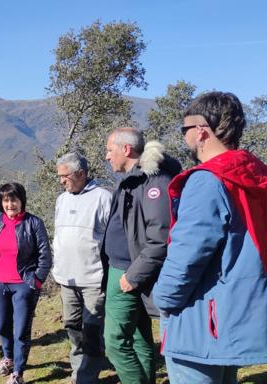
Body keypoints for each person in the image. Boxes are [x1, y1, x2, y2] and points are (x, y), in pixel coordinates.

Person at [153, 91, 267, 383]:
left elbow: (187, 255)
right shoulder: (253, 174)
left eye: (185, 130)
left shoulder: (206, 181)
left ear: (201, 131)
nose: (184, 137)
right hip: (236, 314)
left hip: (200, 320)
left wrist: (162, 298)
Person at [102, 127, 181, 384]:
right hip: (121, 269)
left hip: (129, 272)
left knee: (114, 342)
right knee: (138, 338)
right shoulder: (132, 179)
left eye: (110, 150)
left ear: (127, 149)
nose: (106, 157)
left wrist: (133, 275)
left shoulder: (153, 181)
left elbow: (161, 237)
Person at [0, 182, 52, 384]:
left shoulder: (34, 223)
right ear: (0, 202)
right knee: (3, 326)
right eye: (5, 200)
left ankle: (18, 373)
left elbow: (45, 255)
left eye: (14, 200)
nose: (10, 204)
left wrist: (36, 281)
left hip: (23, 284)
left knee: (20, 330)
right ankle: (8, 359)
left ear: (22, 201)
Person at [52, 152, 111, 383]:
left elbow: (112, 237)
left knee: (92, 329)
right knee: (72, 326)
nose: (61, 181)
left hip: (93, 279)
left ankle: (87, 377)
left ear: (81, 174)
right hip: (66, 278)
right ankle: (79, 370)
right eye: (60, 176)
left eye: (65, 176)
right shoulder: (62, 199)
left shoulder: (103, 197)